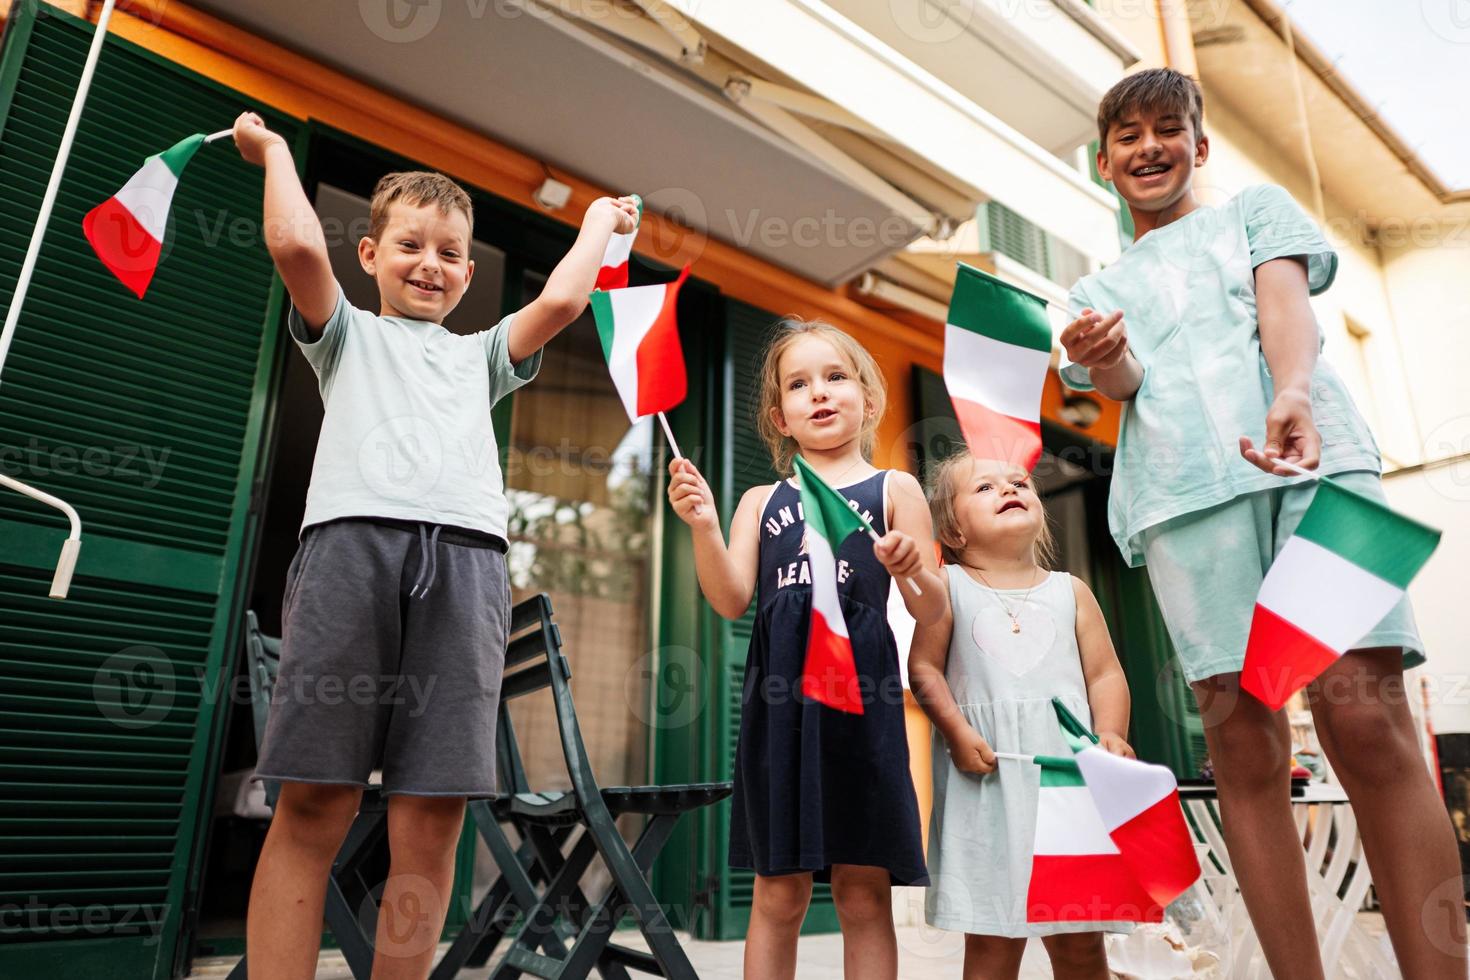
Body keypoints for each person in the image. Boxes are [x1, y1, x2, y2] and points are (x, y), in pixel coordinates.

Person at [1059, 68, 1464, 977]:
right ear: (1103, 162)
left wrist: (1290, 394)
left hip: (1311, 465)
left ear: (1200, 147)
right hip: (1180, 502)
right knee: (1239, 738)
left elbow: (1287, 311)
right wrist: (1110, 355)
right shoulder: (1089, 290)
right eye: (1128, 135)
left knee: (1365, 716)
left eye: (1169, 128)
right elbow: (1119, 385)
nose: (1149, 146)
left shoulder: (1258, 213)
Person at [231, 110, 639, 980]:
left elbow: (565, 300)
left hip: (468, 571)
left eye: (452, 253)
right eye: (411, 245)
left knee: (434, 812)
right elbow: (299, 250)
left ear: (467, 273)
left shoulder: (483, 356)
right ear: (372, 256)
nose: (433, 265)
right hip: (350, 555)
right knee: (314, 805)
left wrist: (601, 223)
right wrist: (271, 152)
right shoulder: (344, 333)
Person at [665, 318, 944, 980]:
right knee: (779, 890)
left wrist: (913, 569)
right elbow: (732, 598)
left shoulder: (893, 490)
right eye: (799, 384)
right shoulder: (761, 501)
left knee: (861, 889)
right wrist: (704, 525)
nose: (818, 393)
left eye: (835, 376)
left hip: (862, 704)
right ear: (779, 416)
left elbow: (933, 609)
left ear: (868, 400)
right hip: (781, 707)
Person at [910, 450, 1133, 980]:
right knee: (992, 943)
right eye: (984, 489)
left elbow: (1105, 674)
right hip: (987, 785)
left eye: (1019, 482)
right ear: (955, 531)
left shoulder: (1070, 591)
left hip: (1070, 785)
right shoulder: (947, 588)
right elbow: (923, 670)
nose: (1009, 488)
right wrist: (957, 732)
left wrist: (1111, 733)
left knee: (1080, 942)